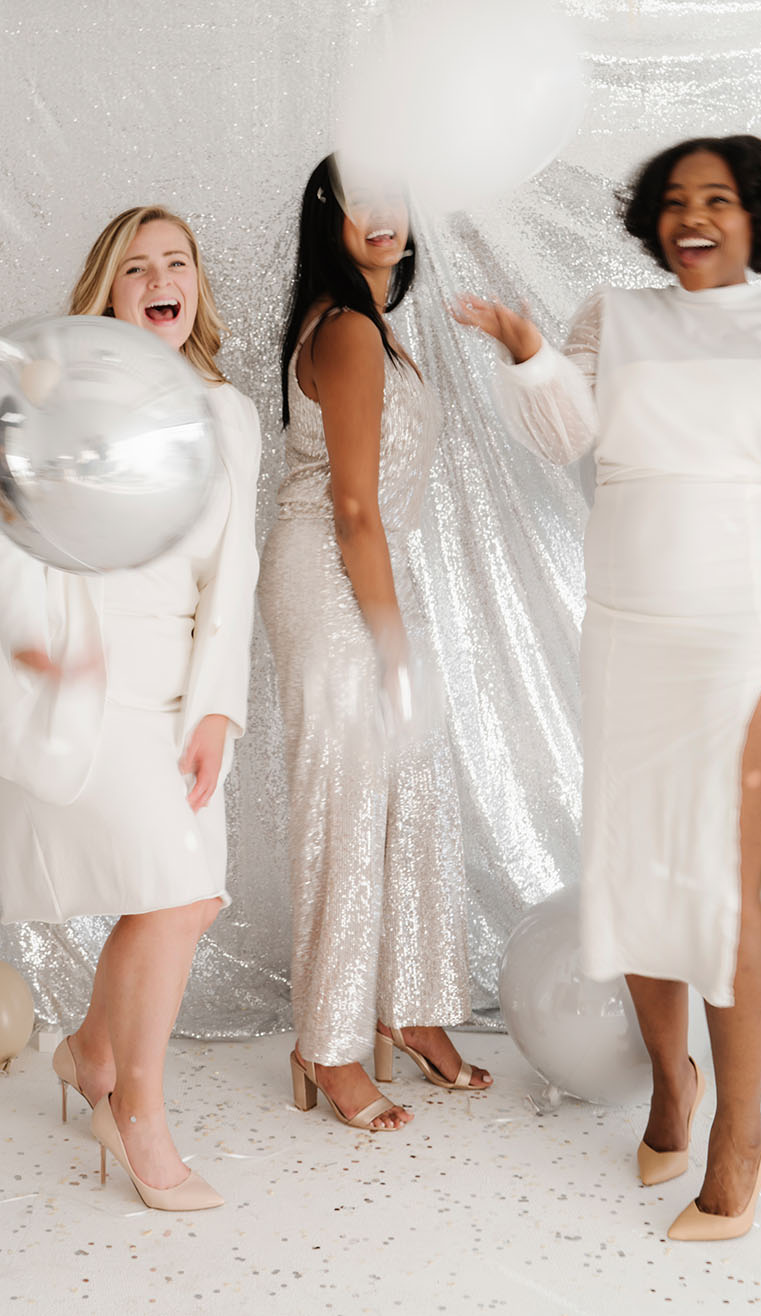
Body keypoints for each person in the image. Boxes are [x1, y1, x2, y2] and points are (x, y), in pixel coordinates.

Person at [453, 135, 761, 1240]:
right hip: (629, 629)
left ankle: (741, 1132)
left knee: (720, 882)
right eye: (675, 198)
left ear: (759, 216)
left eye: (719, 198)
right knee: (638, 869)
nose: (693, 215)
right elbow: (564, 435)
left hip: (743, 628)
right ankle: (672, 1083)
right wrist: (525, 351)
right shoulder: (615, 313)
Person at [0, 206, 261, 1209]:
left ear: (195, 285)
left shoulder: (227, 413)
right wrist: (27, 646)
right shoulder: (60, 395)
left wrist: (218, 709)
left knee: (185, 895)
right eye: (137, 267)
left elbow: (233, 572)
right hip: (90, 674)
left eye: (177, 262)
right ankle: (134, 1110)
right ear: (108, 294)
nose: (161, 280)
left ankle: (90, 1051)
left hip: (178, 687)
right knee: (173, 891)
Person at [259, 154, 491, 1131]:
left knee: (411, 792)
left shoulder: (373, 324)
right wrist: (393, 646)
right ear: (330, 216)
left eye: (396, 193)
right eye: (362, 198)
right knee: (349, 806)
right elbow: (353, 507)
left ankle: (409, 1006)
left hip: (369, 571)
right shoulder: (348, 330)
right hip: (330, 574)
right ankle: (327, 1042)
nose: (384, 213)